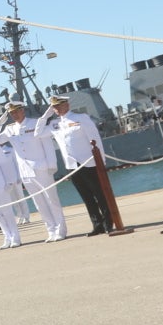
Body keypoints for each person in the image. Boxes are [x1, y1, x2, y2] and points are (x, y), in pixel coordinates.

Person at [0, 102, 68, 241]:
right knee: (39, 203)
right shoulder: (10, 129)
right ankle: (51, 230)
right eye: (11, 113)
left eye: (16, 111)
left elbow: (47, 144)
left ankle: (61, 230)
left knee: (52, 200)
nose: (14, 115)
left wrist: (51, 165)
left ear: (23, 110)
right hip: (25, 172)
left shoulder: (35, 123)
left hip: (41, 167)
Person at [41, 96, 114, 234]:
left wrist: (101, 161)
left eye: (59, 105)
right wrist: (46, 116)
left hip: (89, 163)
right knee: (86, 197)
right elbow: (38, 133)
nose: (57, 109)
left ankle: (108, 223)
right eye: (54, 107)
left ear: (67, 105)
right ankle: (97, 224)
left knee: (100, 195)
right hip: (72, 166)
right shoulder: (55, 124)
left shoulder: (81, 118)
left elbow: (95, 139)